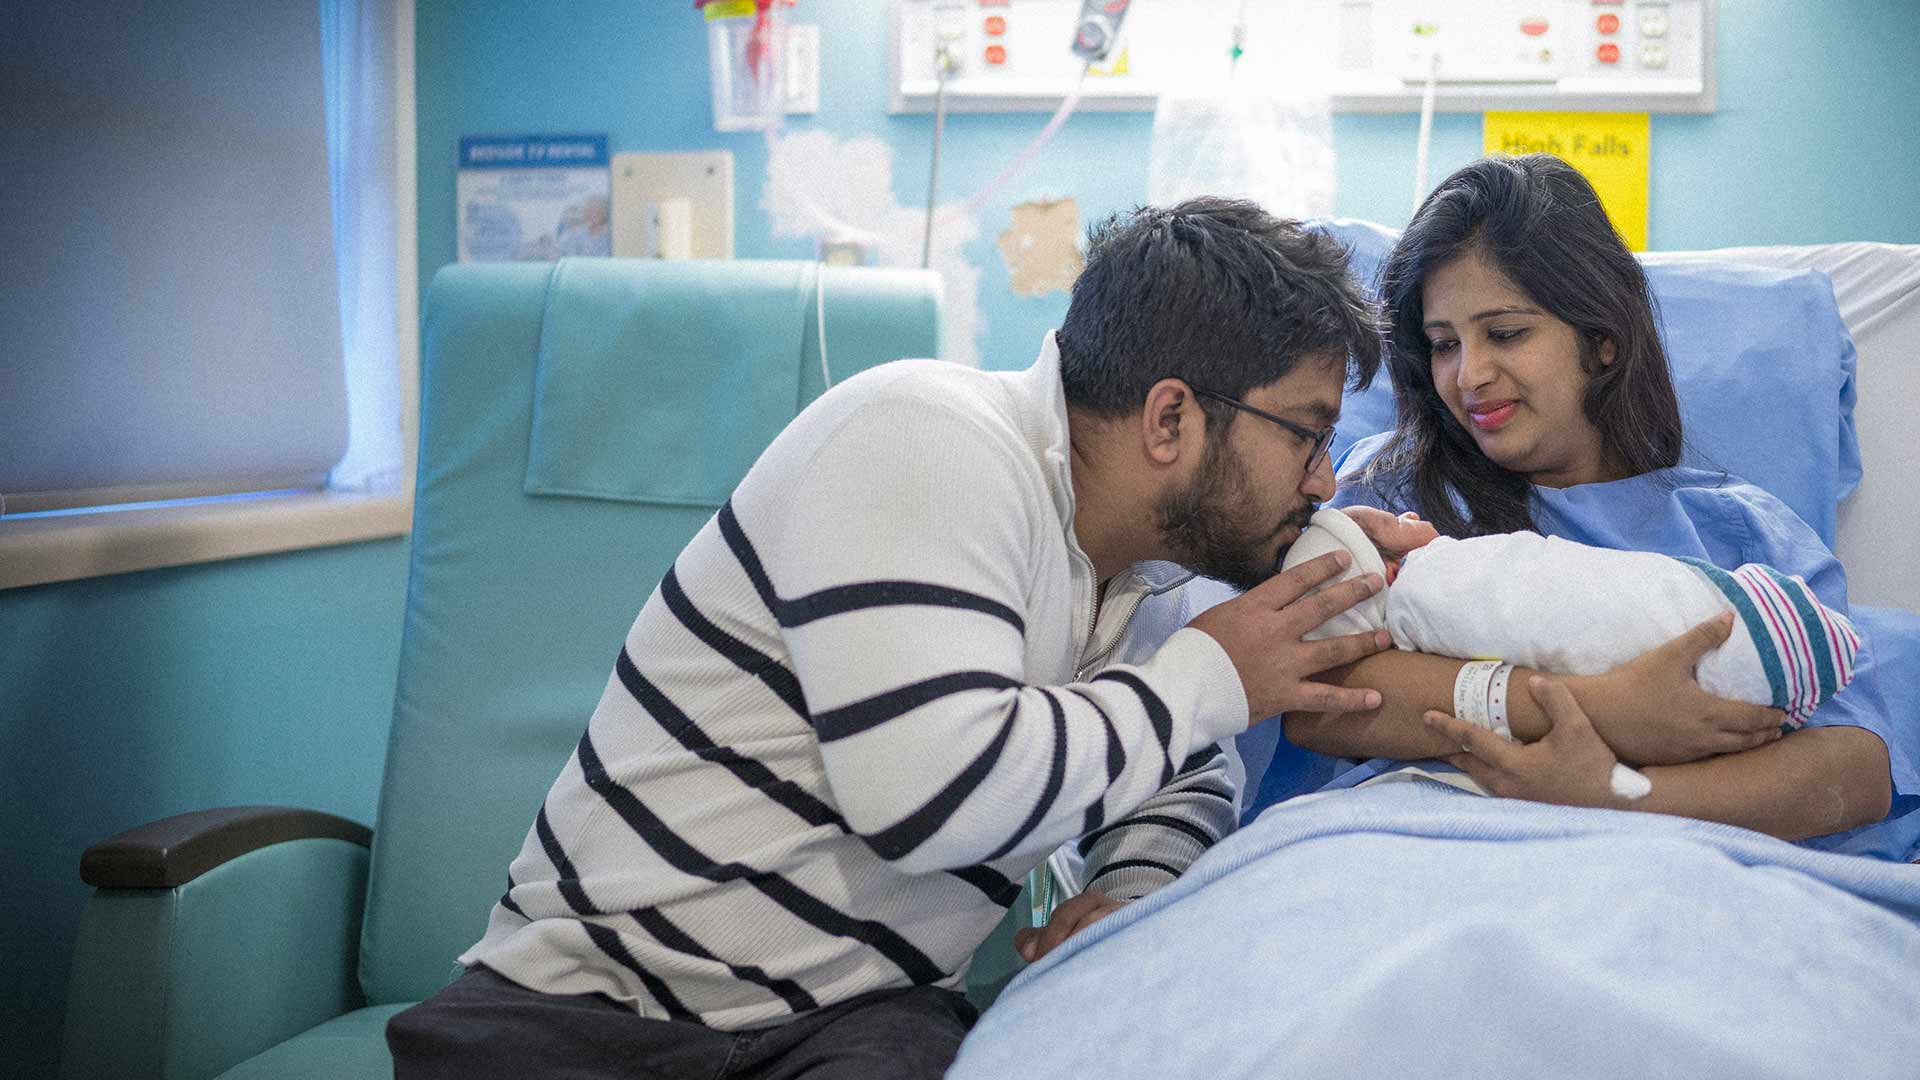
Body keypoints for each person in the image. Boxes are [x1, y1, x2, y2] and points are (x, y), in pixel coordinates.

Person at [386, 197, 1398, 1079]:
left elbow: (1179, 767)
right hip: (592, 1018)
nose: (1321, 480)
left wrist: (1128, 890)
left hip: (857, 1026)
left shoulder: (1158, 569)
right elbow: (929, 799)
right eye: (1308, 437)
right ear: (1170, 418)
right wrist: (1215, 673)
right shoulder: (925, 438)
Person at [1280, 154, 1897, 843]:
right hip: (1415, 843)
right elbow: (1320, 702)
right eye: (1444, 344)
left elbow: (1858, 769)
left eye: (1506, 333)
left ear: (1602, 340)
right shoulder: (1390, 500)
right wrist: (1601, 708)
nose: (1471, 374)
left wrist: (1614, 796)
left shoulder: (1741, 533)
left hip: (1672, 867)